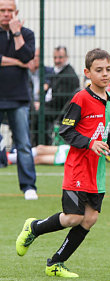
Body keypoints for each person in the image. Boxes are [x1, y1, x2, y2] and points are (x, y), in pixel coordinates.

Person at [15, 48, 110, 278]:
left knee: (90, 218)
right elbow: (66, 130)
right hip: (78, 168)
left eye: (108, 69)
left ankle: (55, 263)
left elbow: (102, 133)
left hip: (97, 172)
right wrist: (89, 144)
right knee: (73, 217)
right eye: (99, 70)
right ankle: (33, 227)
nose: (105, 74)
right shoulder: (81, 98)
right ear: (87, 73)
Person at [0, 0, 38, 200]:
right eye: (2, 10)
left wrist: (16, 34)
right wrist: (17, 62)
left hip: (19, 98)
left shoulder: (27, 33)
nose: (6, 14)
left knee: (23, 144)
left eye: (9, 10)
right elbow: (23, 61)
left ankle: (29, 187)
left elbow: (29, 59)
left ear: (16, 12)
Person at [44, 45, 80, 144]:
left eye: (60, 57)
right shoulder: (58, 71)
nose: (57, 60)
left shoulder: (68, 75)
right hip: (53, 107)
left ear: (66, 58)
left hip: (59, 111)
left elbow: (60, 100)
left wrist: (42, 105)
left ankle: (40, 144)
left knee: (36, 114)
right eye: (55, 57)